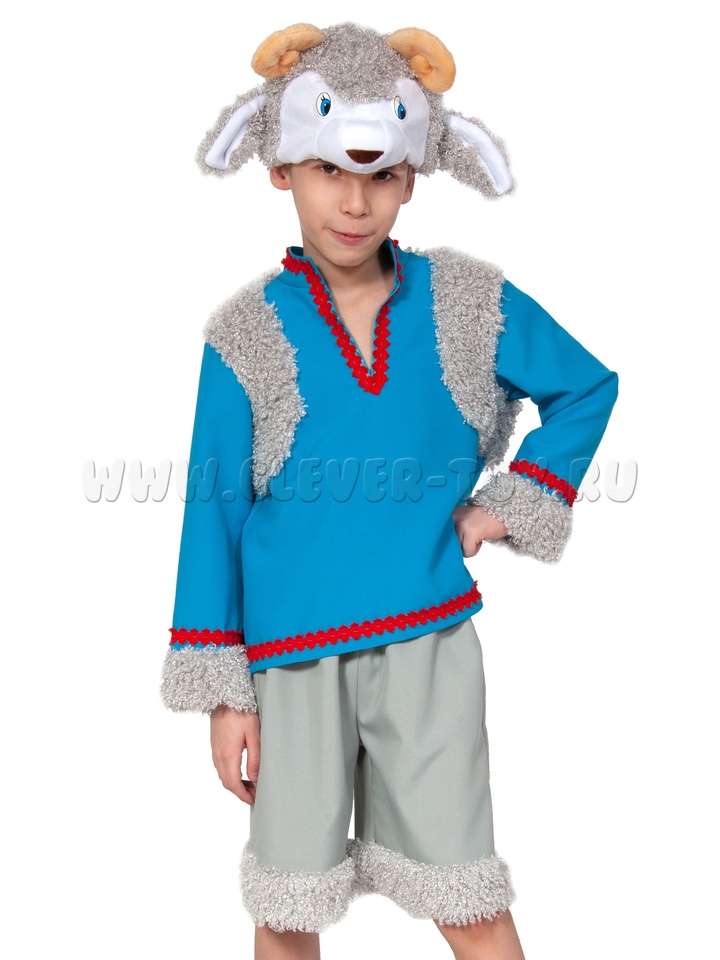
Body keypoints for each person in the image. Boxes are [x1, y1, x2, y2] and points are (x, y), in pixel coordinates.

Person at [161, 22, 618, 960]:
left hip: (427, 645)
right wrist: (224, 693)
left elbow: (585, 388)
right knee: (288, 906)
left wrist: (509, 503)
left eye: (379, 175)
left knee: (469, 897)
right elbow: (215, 515)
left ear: (411, 177)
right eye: (328, 170)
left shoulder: (467, 303)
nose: (353, 200)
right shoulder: (244, 335)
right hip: (289, 663)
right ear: (281, 170)